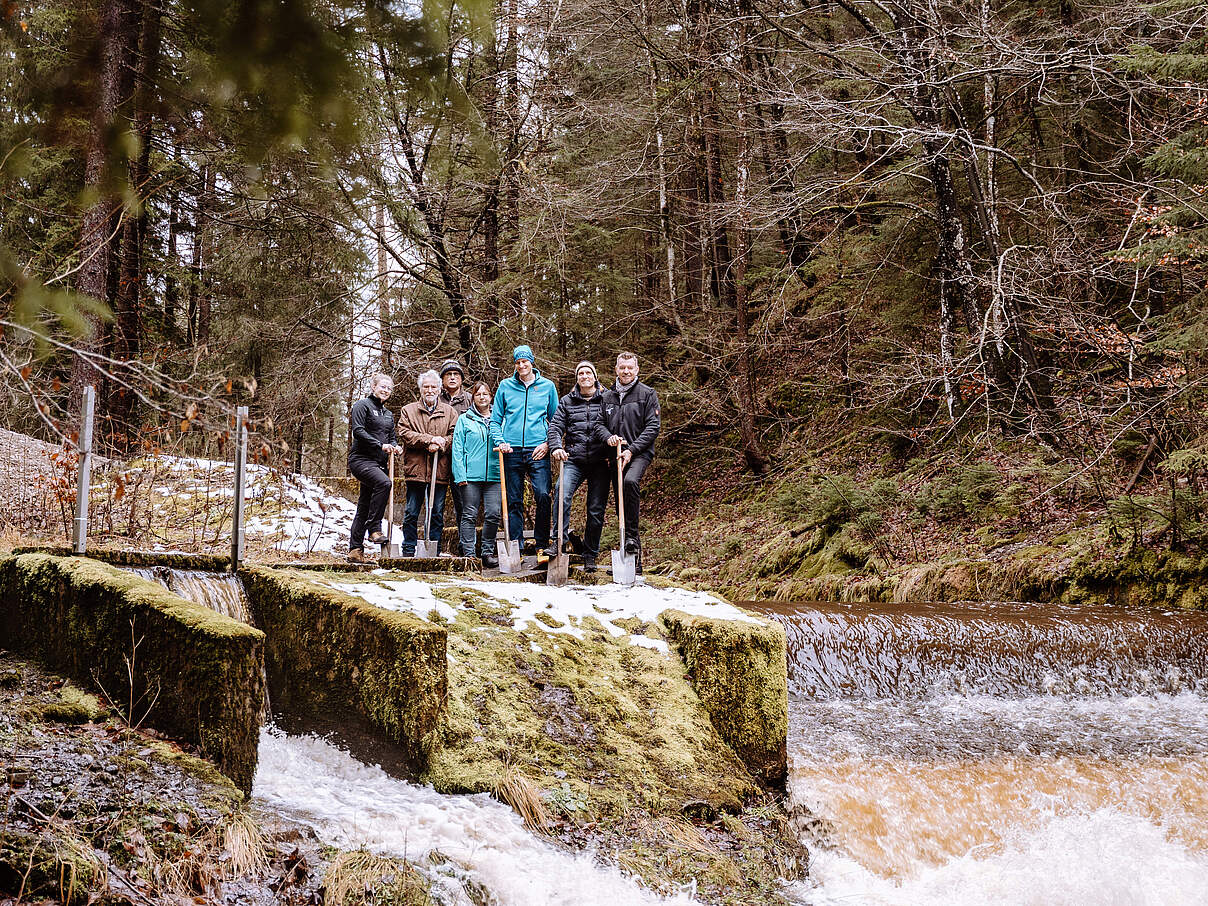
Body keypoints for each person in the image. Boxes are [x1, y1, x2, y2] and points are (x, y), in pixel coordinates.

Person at [489, 345, 559, 555]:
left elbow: (556, 421)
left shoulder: (547, 386)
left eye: (525, 361)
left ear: (532, 362)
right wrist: (501, 441)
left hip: (538, 449)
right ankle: (516, 543)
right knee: (514, 499)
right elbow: (495, 420)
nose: (521, 365)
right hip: (511, 450)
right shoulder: (505, 386)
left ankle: (541, 544)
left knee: (543, 495)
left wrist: (548, 444)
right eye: (518, 362)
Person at [597, 352, 661, 567]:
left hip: (639, 453)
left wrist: (632, 450)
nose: (626, 371)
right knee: (621, 506)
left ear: (636, 370)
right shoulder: (607, 397)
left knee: (631, 482)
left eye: (630, 368)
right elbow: (599, 425)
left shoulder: (647, 394)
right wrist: (609, 438)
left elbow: (653, 427)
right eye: (622, 367)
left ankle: (632, 540)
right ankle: (633, 561)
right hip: (615, 455)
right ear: (616, 369)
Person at [546, 361, 610, 571]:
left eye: (588, 372)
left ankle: (590, 553)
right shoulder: (567, 401)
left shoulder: (608, 398)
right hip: (574, 459)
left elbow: (617, 422)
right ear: (577, 378)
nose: (584, 376)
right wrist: (556, 447)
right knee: (561, 492)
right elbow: (555, 427)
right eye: (580, 373)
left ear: (594, 376)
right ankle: (558, 541)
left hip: (601, 461)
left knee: (595, 509)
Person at [397, 370, 457, 556]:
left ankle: (434, 549)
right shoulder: (408, 410)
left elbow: (455, 436)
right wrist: (429, 440)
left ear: (439, 389)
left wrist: (442, 443)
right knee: (411, 512)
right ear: (420, 389)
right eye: (426, 387)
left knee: (437, 512)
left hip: (439, 470)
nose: (429, 390)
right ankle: (408, 548)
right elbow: (405, 433)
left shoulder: (450, 412)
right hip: (416, 469)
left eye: (433, 387)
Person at [347, 372, 402, 563]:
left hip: (379, 463)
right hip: (361, 460)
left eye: (389, 388)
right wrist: (380, 445)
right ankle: (374, 528)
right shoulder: (362, 406)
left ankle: (355, 550)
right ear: (373, 386)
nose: (385, 390)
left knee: (363, 505)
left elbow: (391, 436)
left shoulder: (388, 414)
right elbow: (358, 431)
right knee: (385, 484)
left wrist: (395, 446)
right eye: (382, 386)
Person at [451, 381, 502, 567]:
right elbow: (457, 448)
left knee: (493, 514)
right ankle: (470, 553)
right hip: (471, 476)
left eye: (485, 394)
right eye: (478, 394)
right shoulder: (465, 419)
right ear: (473, 397)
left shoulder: (499, 418)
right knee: (469, 514)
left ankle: (487, 552)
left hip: (495, 475)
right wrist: (460, 475)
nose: (482, 397)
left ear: (491, 397)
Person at [438, 358, 472, 527]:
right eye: (448, 374)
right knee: (436, 505)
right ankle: (434, 547)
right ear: (442, 379)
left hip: (463, 460)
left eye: (456, 374)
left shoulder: (471, 400)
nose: (452, 377)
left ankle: (464, 547)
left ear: (461, 378)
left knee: (463, 504)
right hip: (439, 458)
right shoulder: (435, 399)